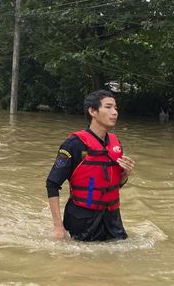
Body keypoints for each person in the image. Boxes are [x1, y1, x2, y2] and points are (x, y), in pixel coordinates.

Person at [46, 90, 135, 241]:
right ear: (92, 111)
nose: (114, 113)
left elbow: (113, 184)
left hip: (112, 219)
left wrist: (125, 175)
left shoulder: (115, 143)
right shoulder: (73, 144)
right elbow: (52, 184)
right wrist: (58, 227)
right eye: (108, 107)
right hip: (82, 219)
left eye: (116, 108)